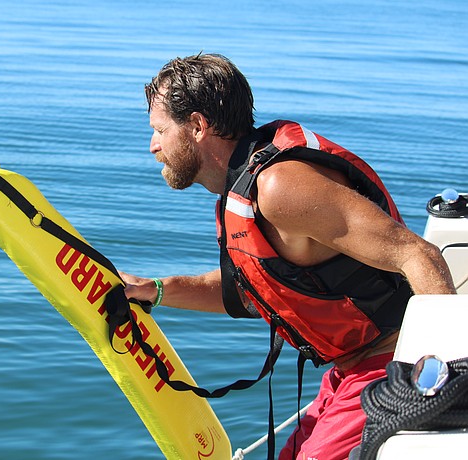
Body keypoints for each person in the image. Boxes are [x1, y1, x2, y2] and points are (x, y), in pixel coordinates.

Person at [121, 53, 456, 460]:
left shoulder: (279, 186)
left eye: (159, 130)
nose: (152, 145)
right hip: (346, 370)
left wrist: (441, 382)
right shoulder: (239, 193)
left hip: (387, 366)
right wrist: (153, 290)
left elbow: (418, 254)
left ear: (196, 126)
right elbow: (248, 293)